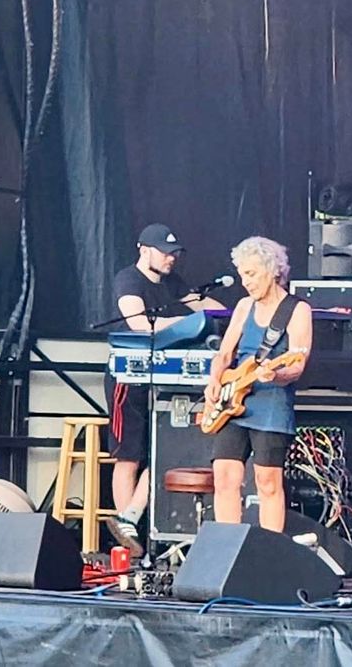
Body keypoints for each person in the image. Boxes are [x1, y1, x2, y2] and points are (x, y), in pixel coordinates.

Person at [105, 223, 224, 551]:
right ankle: (126, 536)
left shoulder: (173, 282)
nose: (172, 259)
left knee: (164, 449)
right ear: (144, 250)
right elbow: (139, 324)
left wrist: (242, 315)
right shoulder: (128, 279)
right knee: (129, 456)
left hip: (165, 379)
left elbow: (207, 306)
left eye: (175, 254)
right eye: (165, 253)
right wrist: (189, 323)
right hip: (129, 380)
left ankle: (131, 519)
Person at [206, 237, 312, 534]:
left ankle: (269, 548)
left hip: (272, 403)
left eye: (251, 274)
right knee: (224, 476)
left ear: (272, 269)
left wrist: (275, 375)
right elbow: (224, 354)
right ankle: (228, 545)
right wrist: (214, 380)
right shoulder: (244, 307)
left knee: (267, 482)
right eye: (242, 275)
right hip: (233, 401)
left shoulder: (297, 310)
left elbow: (297, 364)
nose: (246, 282)